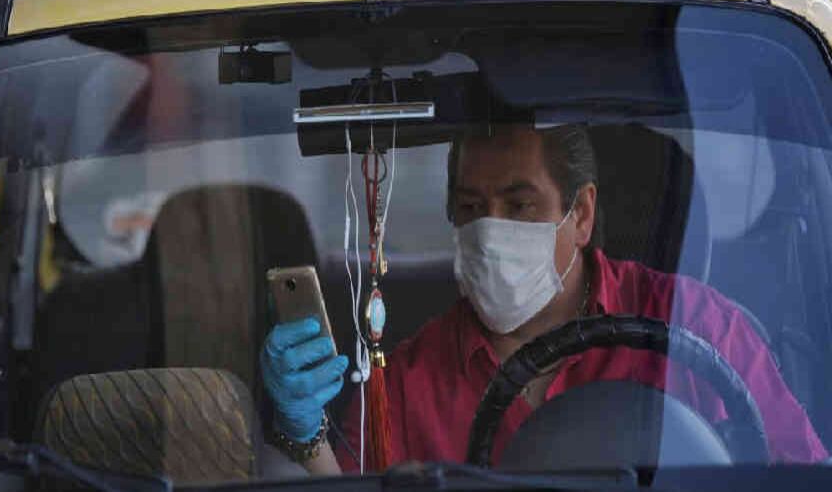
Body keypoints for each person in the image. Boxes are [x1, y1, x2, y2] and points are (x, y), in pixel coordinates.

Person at [259, 124, 828, 473]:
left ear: (580, 215)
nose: (489, 230)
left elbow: (802, 473)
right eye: (471, 207)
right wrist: (305, 434)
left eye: (519, 205)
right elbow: (350, 483)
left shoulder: (699, 330)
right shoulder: (407, 383)